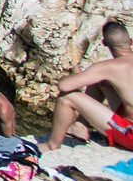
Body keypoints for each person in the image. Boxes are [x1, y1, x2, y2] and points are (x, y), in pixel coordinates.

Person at [46, 21, 133, 150]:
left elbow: (64, 86)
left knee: (67, 97)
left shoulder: (108, 67)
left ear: (104, 44)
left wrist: (74, 75)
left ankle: (52, 145)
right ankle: (80, 126)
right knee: (101, 82)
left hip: (130, 134)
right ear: (130, 41)